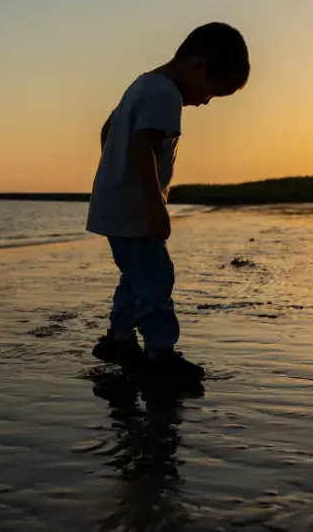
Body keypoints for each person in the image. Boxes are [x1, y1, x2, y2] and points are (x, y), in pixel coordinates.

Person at [85, 22, 250, 381]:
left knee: (136, 276)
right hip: (135, 208)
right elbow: (144, 147)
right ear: (197, 66)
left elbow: (107, 129)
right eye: (211, 92)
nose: (205, 101)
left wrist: (112, 176)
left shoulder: (141, 85)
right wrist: (154, 207)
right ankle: (160, 353)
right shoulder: (166, 94)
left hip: (116, 204)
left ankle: (119, 339)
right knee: (158, 276)